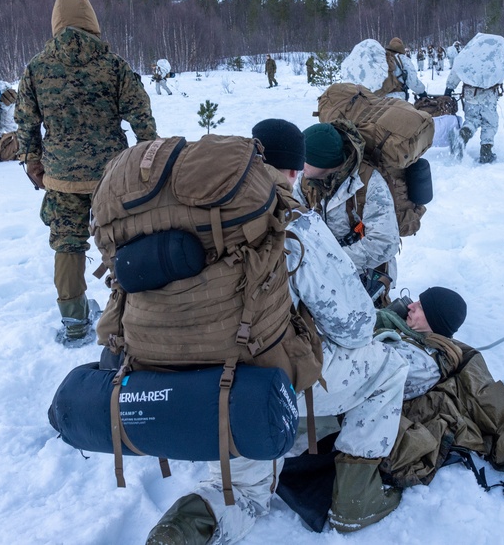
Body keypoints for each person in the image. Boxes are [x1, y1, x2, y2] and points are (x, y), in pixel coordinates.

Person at [147, 118, 408, 543]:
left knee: (239, 493)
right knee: (388, 369)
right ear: (293, 170)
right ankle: (355, 503)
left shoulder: (185, 212)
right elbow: (356, 325)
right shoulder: (292, 220)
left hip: (192, 380)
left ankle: (184, 527)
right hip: (263, 381)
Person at [16, 0, 157, 346]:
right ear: (92, 20)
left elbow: (25, 123)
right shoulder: (113, 64)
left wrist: (33, 161)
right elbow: (141, 115)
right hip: (112, 173)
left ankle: (75, 322)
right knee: (124, 238)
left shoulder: (36, 68)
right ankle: (131, 312)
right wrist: (150, 158)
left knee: (67, 244)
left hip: (61, 176)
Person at [294, 122, 400, 302]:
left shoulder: (368, 183)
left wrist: (331, 261)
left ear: (324, 161)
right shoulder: (306, 180)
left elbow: (385, 243)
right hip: (321, 275)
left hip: (364, 276)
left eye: (306, 159)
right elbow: (293, 218)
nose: (299, 164)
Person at [444, 33, 504, 164]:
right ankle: (486, 152)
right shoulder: (498, 60)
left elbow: (456, 70)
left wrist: (449, 89)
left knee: (471, 120)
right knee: (490, 123)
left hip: (470, 94)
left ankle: (462, 136)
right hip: (489, 95)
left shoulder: (468, 58)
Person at [374, 286, 467, 399]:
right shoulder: (411, 331)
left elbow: (357, 375)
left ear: (434, 322)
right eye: (417, 302)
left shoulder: (420, 364)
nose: (410, 306)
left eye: (421, 307)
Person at [376, 37, 427, 101]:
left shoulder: (380, 59)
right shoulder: (403, 59)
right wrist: (422, 92)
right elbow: (413, 82)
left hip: (378, 99)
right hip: (397, 99)